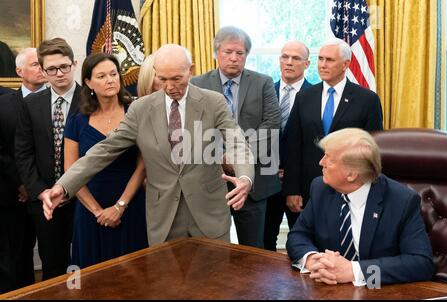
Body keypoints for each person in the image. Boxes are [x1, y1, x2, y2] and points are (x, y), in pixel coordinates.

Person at [40, 44, 254, 246]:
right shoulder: (140, 109)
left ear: (191, 70)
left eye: (177, 79)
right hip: (163, 221)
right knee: (166, 284)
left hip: (210, 217)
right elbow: (103, 151)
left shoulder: (213, 102)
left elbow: (237, 143)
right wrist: (64, 185)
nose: (169, 87)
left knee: (214, 284)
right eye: (162, 79)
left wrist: (244, 178)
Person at [286, 128, 434, 285]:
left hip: (377, 293)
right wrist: (312, 259)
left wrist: (355, 271)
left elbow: (421, 265)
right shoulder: (320, 188)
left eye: (329, 159)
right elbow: (297, 236)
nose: (321, 162)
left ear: (351, 175)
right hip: (326, 289)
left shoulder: (402, 201)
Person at [191, 26, 280, 249]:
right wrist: (222, 157)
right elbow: (193, 128)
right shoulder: (197, 84)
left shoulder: (263, 83)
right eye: (228, 52)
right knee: (211, 250)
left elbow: (271, 125)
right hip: (211, 179)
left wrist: (239, 158)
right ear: (215, 53)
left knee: (254, 251)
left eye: (240, 53)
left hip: (254, 182)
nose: (233, 58)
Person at [65, 53, 148, 268]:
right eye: (101, 76)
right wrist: (97, 211)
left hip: (130, 205)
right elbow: (71, 170)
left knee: (135, 278)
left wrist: (120, 206)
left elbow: (143, 165)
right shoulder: (77, 121)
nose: (110, 80)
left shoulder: (135, 113)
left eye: (113, 74)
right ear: (88, 82)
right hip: (89, 209)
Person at [283, 38, 383, 214]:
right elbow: (292, 146)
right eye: (320, 59)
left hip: (350, 187)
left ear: (345, 64)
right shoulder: (304, 97)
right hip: (307, 189)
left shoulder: (367, 99)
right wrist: (292, 189)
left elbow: (372, 148)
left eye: (329, 60)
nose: (322, 65)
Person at [15, 38, 80, 280]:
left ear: (74, 64)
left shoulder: (90, 101)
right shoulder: (31, 104)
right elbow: (23, 153)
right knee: (52, 266)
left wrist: (70, 189)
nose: (59, 73)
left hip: (82, 198)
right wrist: (41, 192)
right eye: (51, 69)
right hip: (45, 202)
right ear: (43, 71)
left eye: (64, 66)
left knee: (86, 264)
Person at [0, 48, 47, 293]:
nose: (42, 68)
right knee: (17, 254)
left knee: (53, 256)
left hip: (51, 192)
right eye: (35, 64)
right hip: (14, 195)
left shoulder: (59, 99)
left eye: (43, 63)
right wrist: (23, 184)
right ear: (19, 72)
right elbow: (4, 150)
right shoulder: (4, 104)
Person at [264, 40, 312, 251]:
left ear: (307, 64)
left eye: (296, 58)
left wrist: (292, 174)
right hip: (266, 180)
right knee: (264, 243)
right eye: (285, 57)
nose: (289, 62)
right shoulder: (264, 92)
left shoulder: (316, 95)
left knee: (303, 244)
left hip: (301, 185)